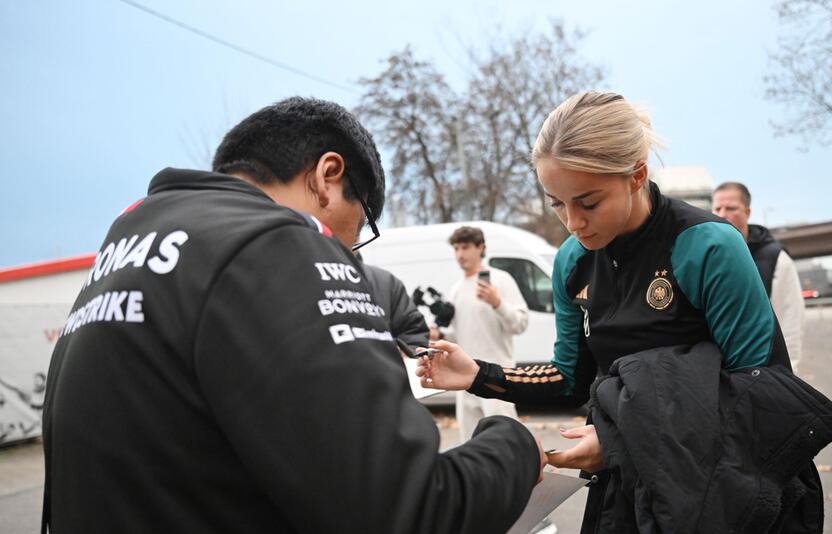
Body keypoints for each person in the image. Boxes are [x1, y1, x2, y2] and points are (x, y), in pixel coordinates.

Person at [41, 97, 544, 533]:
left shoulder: (133, 243)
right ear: (328, 178)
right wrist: (515, 444)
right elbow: (408, 510)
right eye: (363, 223)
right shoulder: (279, 244)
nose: (353, 249)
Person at [418, 91, 832, 532]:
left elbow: (760, 392)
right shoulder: (571, 262)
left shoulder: (707, 246)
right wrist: (477, 375)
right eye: (556, 203)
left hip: (728, 488)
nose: (573, 222)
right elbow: (571, 377)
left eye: (588, 202)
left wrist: (621, 439)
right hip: (628, 491)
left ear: (636, 175)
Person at [442, 226, 529, 441]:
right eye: (456, 248)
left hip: (497, 376)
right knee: (470, 445)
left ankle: (516, 475)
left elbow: (520, 323)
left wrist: (497, 302)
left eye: (465, 247)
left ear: (481, 247)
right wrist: (439, 337)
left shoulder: (501, 280)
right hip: (465, 378)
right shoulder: (456, 289)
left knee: (504, 440)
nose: (460, 254)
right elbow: (458, 336)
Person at [712, 181, 806, 373]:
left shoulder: (776, 259)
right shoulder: (707, 257)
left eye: (731, 208)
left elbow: (790, 320)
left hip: (764, 372)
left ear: (747, 212)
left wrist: (789, 375)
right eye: (717, 208)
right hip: (717, 375)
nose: (722, 214)